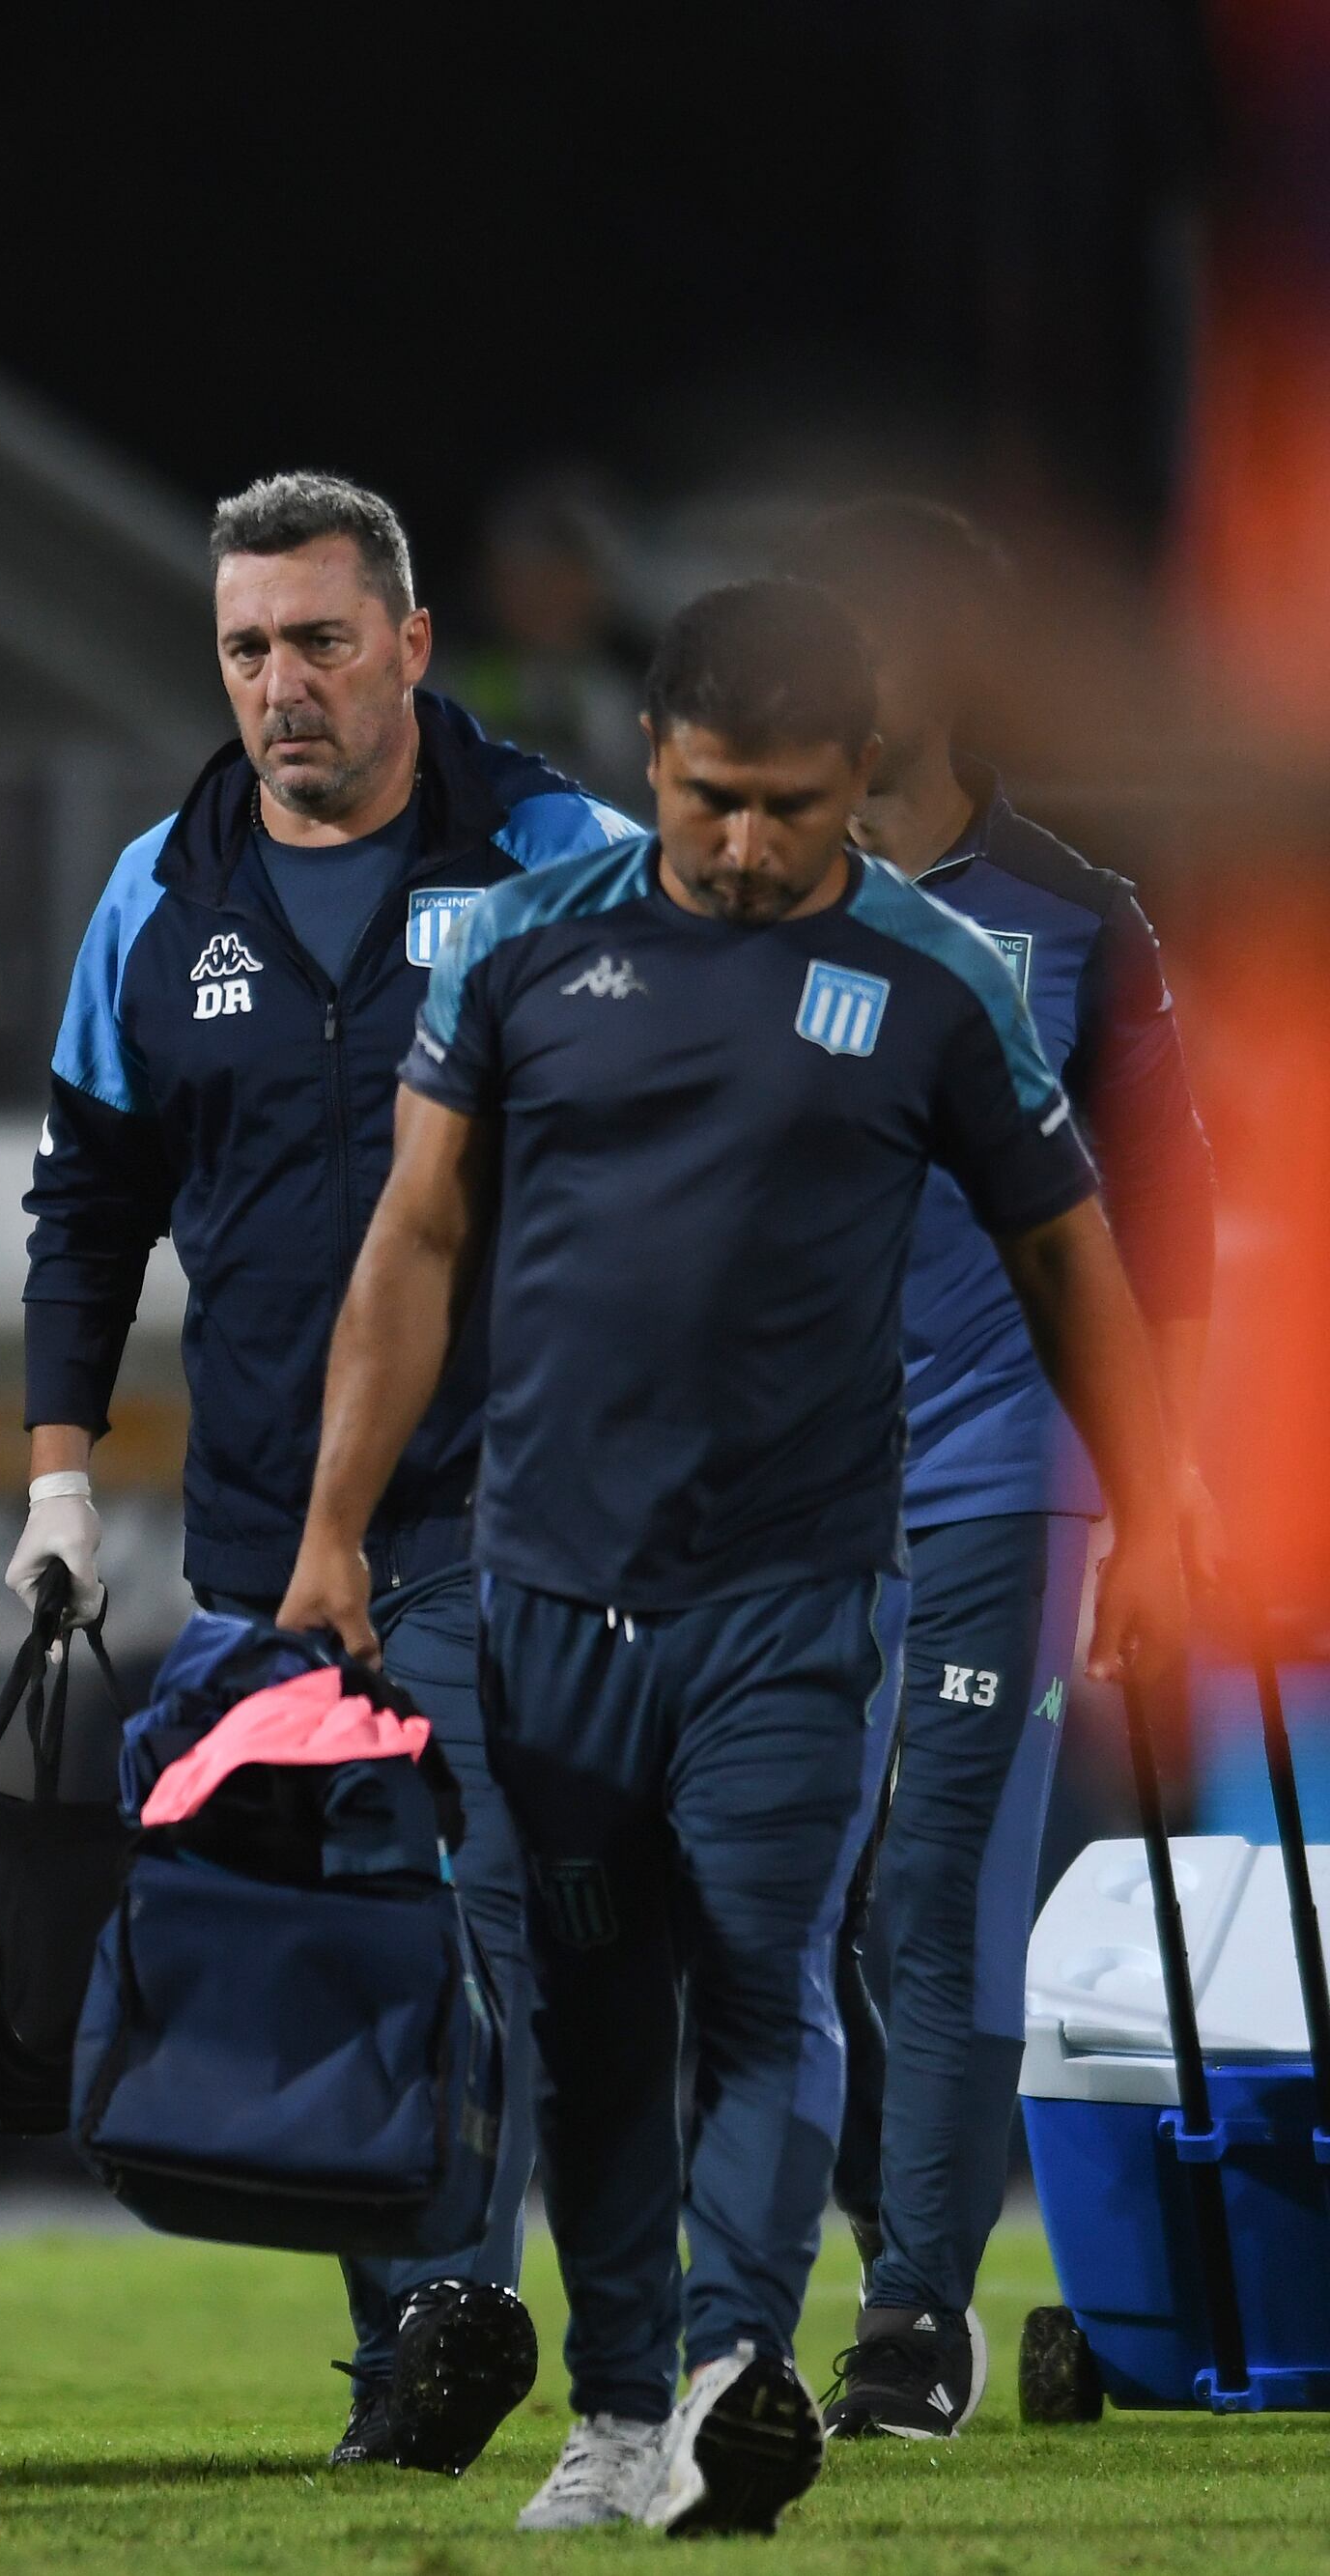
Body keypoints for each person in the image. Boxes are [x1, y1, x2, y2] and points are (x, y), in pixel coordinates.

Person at [278, 579, 1190, 2539]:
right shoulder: (521, 948)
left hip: (802, 1580)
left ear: (857, 773)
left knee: (766, 1969)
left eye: (790, 804)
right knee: (597, 2005)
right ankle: (617, 2408)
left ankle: (725, 2373)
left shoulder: (938, 975)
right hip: (549, 1579)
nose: (751, 845)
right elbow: (416, 1239)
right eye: (713, 800)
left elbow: (1066, 1252)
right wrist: (334, 1525)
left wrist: (1150, 1502)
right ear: (652, 761)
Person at [20, 472, 640, 2475]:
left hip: (511, 1512)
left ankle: (469, 2317)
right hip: (258, 1538)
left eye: (318, 641)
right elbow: (86, 1205)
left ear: (409, 646)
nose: (280, 685)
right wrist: (55, 1478)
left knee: (473, 1915)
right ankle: (418, 2337)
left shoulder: (555, 856)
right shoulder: (157, 891)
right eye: (244, 650)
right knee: (343, 1942)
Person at [795, 500, 1218, 2440]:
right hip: (781, 1491)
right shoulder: (740, 897)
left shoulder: (1074, 915)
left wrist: (1161, 1506)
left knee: (939, 1885)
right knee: (774, 1898)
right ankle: (878, 2224)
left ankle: (912, 2314)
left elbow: (1169, 1243)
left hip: (999, 1465)